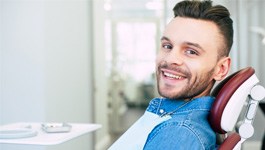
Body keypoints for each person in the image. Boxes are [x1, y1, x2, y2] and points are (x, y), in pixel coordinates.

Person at [109, 0, 233, 149]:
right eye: (167, 46)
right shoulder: (175, 121)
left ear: (220, 69)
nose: (170, 59)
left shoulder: (178, 133)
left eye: (191, 51)